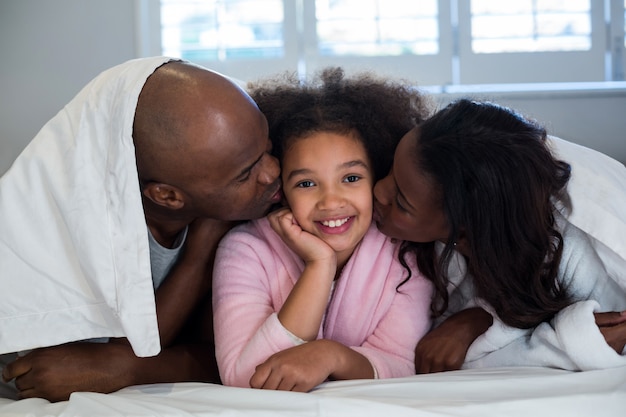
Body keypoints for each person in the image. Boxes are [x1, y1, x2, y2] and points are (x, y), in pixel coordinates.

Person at [0, 57, 281, 401]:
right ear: (167, 196)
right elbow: (45, 375)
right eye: (245, 174)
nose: (272, 172)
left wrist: (123, 368)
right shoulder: (46, 239)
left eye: (267, 147)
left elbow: (238, 357)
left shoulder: (242, 210)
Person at [212, 68, 434, 391]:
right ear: (281, 189)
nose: (331, 201)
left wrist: (331, 356)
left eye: (351, 178)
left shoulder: (404, 253)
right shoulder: (245, 250)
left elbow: (401, 364)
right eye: (306, 183)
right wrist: (319, 266)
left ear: (376, 174)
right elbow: (243, 377)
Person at [373, 98, 626, 373]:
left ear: (464, 232)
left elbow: (600, 342)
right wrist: (479, 316)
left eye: (400, 201)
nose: (378, 190)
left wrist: (573, 345)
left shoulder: (584, 250)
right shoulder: (435, 170)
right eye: (390, 171)